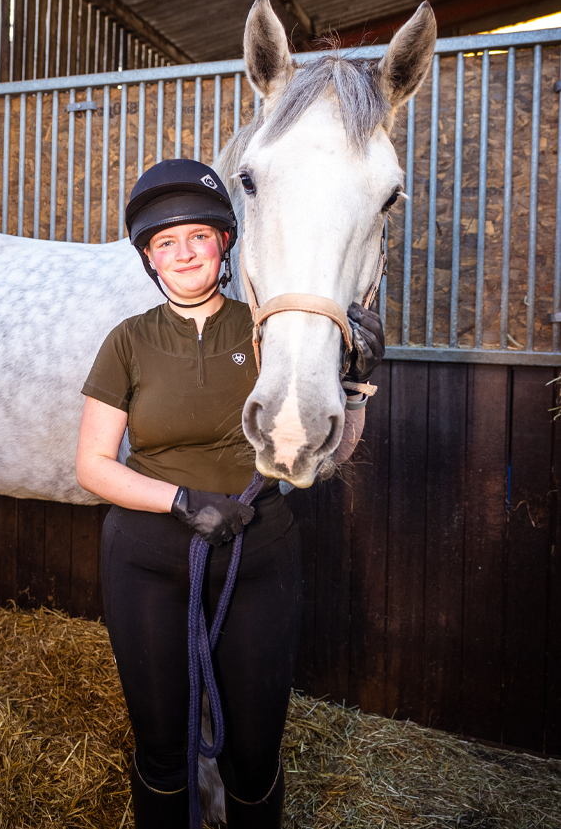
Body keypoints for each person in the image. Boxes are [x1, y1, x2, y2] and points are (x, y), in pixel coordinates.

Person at [75, 159, 384, 828]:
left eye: (198, 236)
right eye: (165, 242)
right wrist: (181, 502)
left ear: (224, 243)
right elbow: (92, 465)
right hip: (146, 561)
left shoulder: (269, 331)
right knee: (162, 748)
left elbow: (330, 454)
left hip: (258, 557)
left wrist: (357, 385)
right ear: (149, 258)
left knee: (254, 750)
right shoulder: (127, 341)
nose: (184, 252)